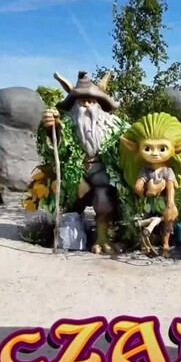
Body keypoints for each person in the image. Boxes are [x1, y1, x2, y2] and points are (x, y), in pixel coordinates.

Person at [39, 70, 128, 254]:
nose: (86, 105)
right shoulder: (66, 122)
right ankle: (68, 233)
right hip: (75, 173)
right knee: (71, 202)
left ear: (100, 103)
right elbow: (54, 149)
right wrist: (51, 128)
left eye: (91, 100)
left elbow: (132, 140)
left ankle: (102, 237)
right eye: (81, 101)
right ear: (73, 104)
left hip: (103, 173)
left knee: (103, 200)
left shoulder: (114, 124)